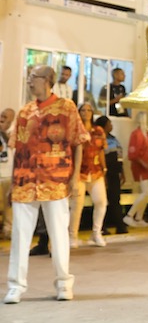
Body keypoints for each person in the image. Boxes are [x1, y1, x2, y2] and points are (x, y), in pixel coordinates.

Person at [4, 64, 89, 303]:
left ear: (46, 80)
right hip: (24, 181)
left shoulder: (66, 108)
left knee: (59, 234)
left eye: (33, 77)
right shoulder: (25, 112)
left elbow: (78, 142)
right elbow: (18, 150)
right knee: (20, 235)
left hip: (56, 180)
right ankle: (16, 286)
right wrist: (12, 182)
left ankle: (63, 284)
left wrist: (75, 177)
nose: (29, 81)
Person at [69, 103, 108, 248]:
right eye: (83, 110)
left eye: (89, 110)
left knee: (101, 201)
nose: (86, 112)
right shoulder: (74, 130)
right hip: (79, 172)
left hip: (96, 171)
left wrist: (104, 168)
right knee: (77, 205)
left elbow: (101, 150)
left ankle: (96, 232)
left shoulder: (98, 130)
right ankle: (72, 236)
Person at [125, 111, 148, 226]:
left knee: (147, 193)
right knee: (146, 192)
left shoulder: (147, 134)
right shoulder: (136, 134)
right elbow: (133, 154)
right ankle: (129, 215)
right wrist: (143, 163)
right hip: (141, 167)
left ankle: (139, 217)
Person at [96, 116, 126, 235]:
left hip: (115, 173)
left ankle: (120, 226)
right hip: (105, 174)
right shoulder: (99, 139)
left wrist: (122, 172)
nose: (111, 125)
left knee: (115, 200)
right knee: (102, 201)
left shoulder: (114, 139)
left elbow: (119, 156)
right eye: (109, 123)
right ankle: (102, 227)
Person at [0, 106, 15, 238]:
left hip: (9, 174)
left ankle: (8, 229)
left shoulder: (13, 132)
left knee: (8, 205)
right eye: (1, 115)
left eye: (5, 117)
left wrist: (3, 132)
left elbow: (11, 144)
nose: (2, 119)